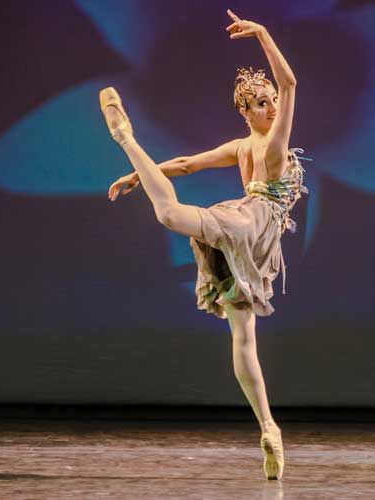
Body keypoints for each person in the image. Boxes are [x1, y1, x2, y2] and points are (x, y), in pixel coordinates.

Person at [100, 9, 305, 481]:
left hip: (252, 231)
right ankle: (269, 427)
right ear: (244, 111)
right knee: (242, 334)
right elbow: (188, 163)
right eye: (259, 103)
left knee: (173, 217)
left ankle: (125, 139)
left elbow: (290, 84)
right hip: (253, 235)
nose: (271, 107)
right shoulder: (254, 147)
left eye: (270, 100)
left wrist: (263, 34)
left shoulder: (266, 145)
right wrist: (139, 176)